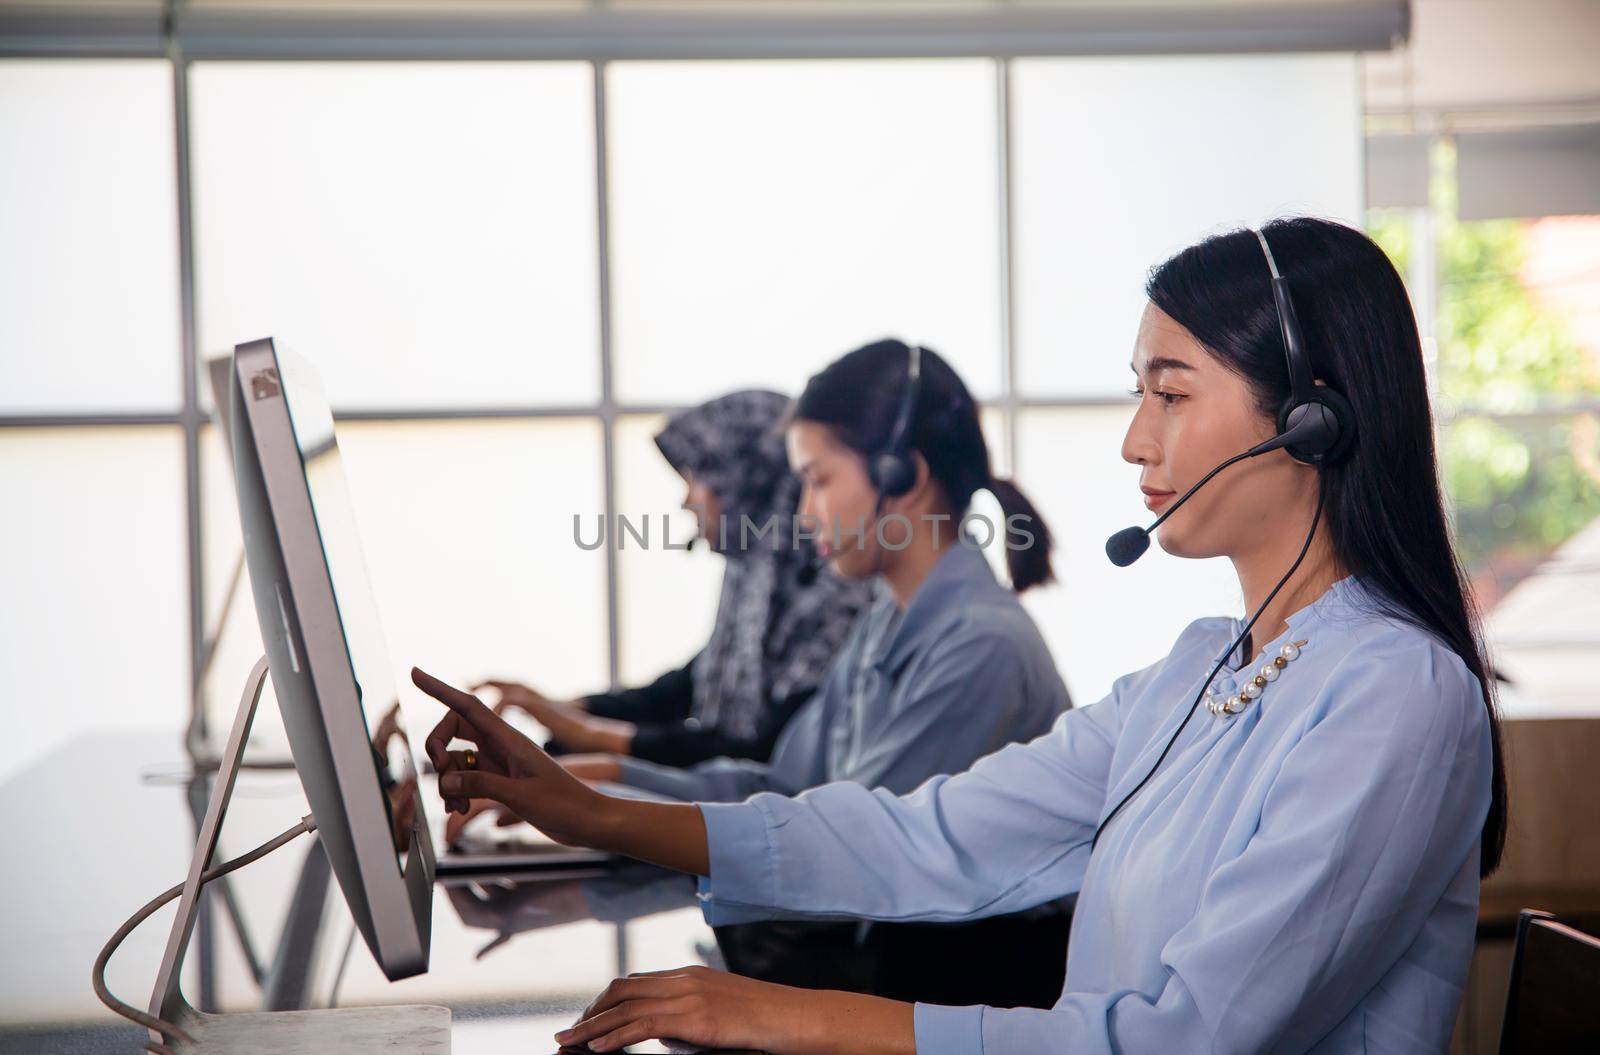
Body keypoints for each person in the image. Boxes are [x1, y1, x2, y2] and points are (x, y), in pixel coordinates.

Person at [414, 217, 1507, 1054]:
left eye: (1170, 394)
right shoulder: (1194, 671)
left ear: (1313, 420)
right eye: (1138, 394)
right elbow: (924, 835)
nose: (1134, 440)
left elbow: (1185, 1035)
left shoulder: (1396, 693)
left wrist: (787, 1016)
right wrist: (593, 808)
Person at [558, 339, 1075, 1007]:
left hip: (970, 990)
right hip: (900, 969)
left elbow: (853, 852)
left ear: (901, 475)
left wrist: (604, 813)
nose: (804, 513)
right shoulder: (886, 618)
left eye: (819, 478)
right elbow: (784, 781)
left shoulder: (981, 646)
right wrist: (614, 780)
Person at [454, 390, 870, 843]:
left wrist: (593, 742)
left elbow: (763, 755)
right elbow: (687, 686)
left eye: (699, 478)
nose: (686, 501)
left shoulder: (833, 594)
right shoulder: (756, 578)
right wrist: (565, 712)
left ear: (745, 484)